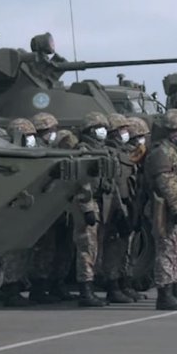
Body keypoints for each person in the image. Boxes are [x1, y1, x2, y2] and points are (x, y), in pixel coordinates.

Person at [145, 109, 177, 310]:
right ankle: (164, 294)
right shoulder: (161, 153)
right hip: (165, 208)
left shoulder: (174, 151)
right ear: (172, 131)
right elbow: (167, 183)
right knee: (167, 250)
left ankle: (176, 288)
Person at [99, 113, 141, 304]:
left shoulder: (125, 152)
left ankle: (124, 283)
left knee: (125, 248)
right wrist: (118, 210)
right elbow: (112, 184)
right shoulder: (109, 153)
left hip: (127, 203)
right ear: (114, 132)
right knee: (113, 249)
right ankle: (112, 286)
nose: (127, 132)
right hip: (115, 206)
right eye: (123, 129)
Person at [73, 112, 113, 307]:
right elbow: (82, 182)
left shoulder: (102, 149)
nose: (103, 131)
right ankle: (85, 289)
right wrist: (87, 208)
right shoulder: (84, 150)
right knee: (87, 248)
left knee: (96, 247)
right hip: (87, 204)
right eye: (98, 127)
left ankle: (93, 283)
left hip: (100, 203)